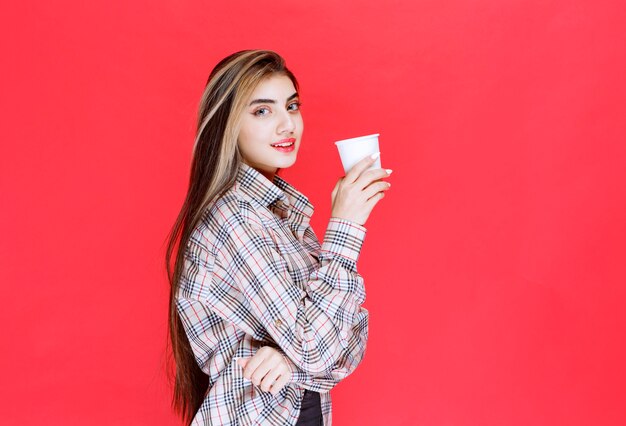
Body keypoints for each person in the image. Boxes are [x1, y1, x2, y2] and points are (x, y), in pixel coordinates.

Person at [165, 49, 392, 425]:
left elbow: (347, 342)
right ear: (226, 125)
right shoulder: (234, 219)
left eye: (292, 106)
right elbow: (318, 346)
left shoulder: (279, 216)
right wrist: (346, 226)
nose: (287, 124)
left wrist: (291, 362)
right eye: (262, 111)